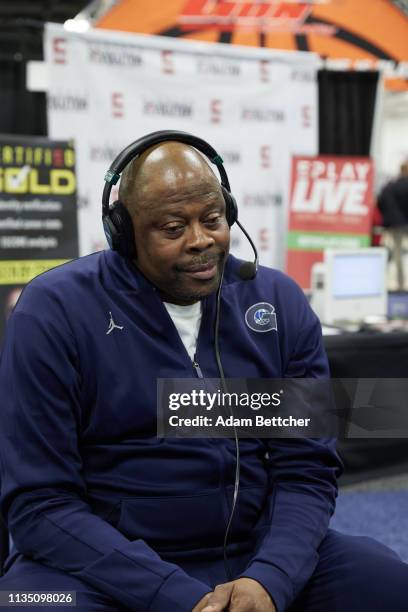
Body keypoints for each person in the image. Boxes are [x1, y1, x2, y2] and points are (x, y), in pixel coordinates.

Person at [0, 133, 407, 612]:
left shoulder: (276, 303)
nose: (200, 240)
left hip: (251, 560)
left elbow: (306, 471)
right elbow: (40, 504)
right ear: (124, 233)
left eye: (212, 220)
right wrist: (175, 595)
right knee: (28, 603)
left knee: (386, 583)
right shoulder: (55, 311)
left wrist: (271, 578)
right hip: (105, 569)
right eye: (173, 228)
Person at [378, 159, 408, 290]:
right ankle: (401, 284)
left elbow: (380, 201)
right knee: (397, 256)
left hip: (392, 225)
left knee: (395, 255)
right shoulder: (404, 186)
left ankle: (397, 284)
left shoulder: (390, 185)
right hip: (401, 224)